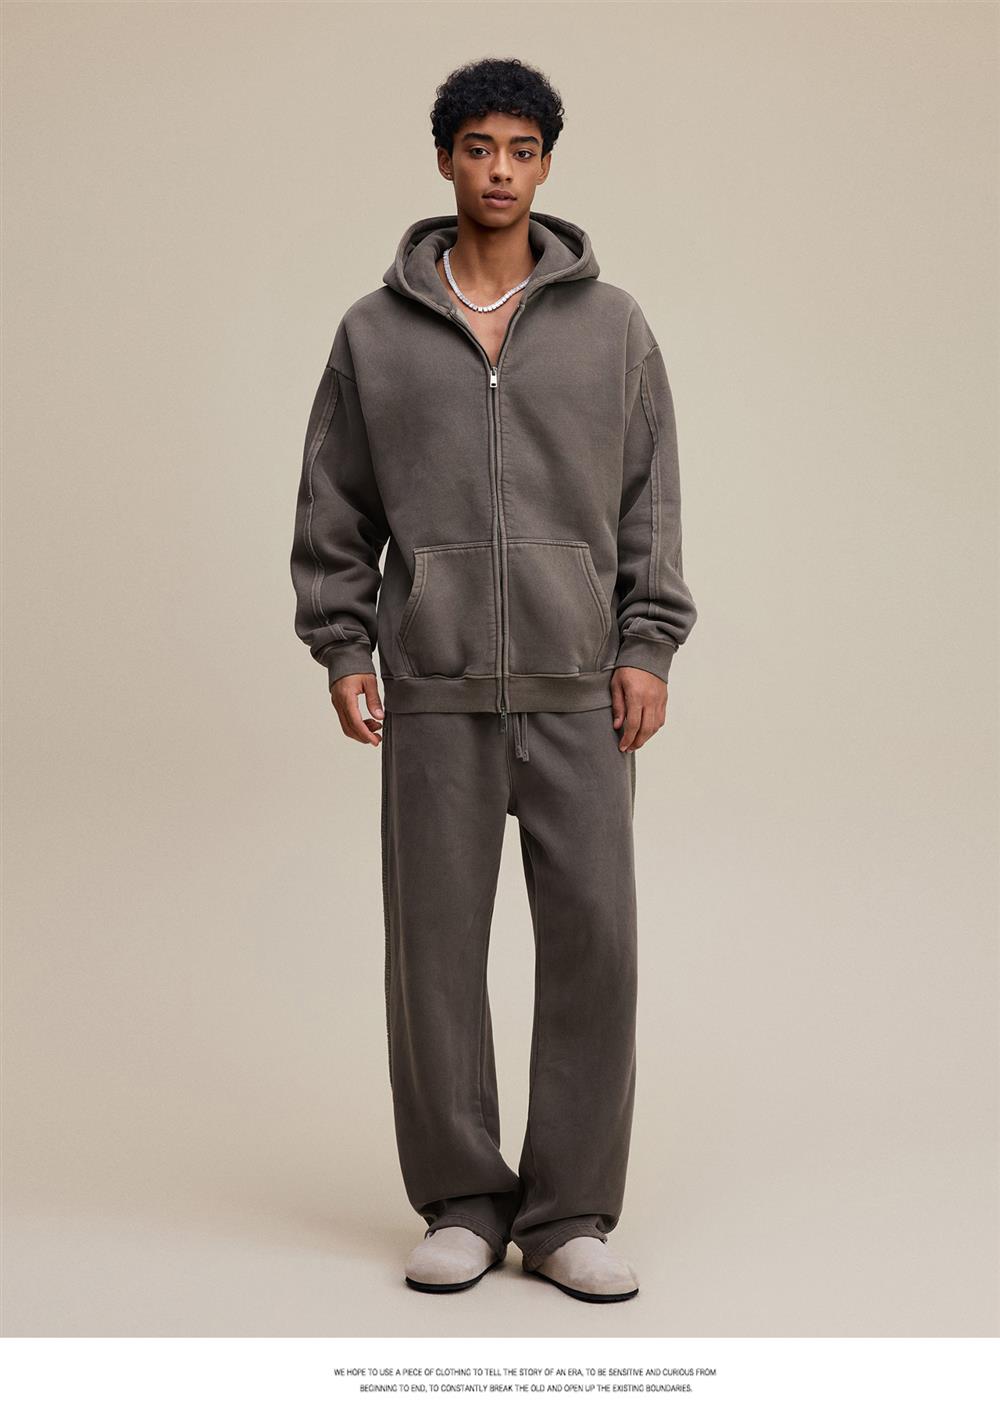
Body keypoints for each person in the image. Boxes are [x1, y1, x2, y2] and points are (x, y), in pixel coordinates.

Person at [289, 56, 697, 1304]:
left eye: (522, 149)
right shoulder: (372, 334)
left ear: (547, 164)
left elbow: (649, 500)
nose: (500, 170)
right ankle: (463, 1202)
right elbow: (334, 506)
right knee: (433, 956)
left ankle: (568, 1212)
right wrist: (344, 646)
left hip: (582, 692)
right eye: (478, 148)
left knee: (595, 949)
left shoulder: (612, 325)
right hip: (435, 691)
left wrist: (645, 642)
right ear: (445, 161)